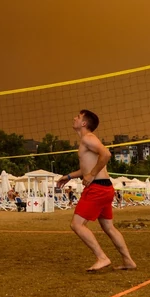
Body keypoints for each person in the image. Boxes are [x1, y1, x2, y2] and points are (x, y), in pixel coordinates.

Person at [56, 110, 137, 272]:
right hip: (105, 187)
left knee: (77, 225)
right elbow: (86, 168)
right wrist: (69, 176)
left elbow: (106, 154)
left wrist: (92, 175)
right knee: (109, 227)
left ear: (84, 123)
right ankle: (128, 261)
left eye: (78, 117)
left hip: (98, 188)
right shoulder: (87, 141)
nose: (74, 118)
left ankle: (102, 257)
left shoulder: (88, 138)